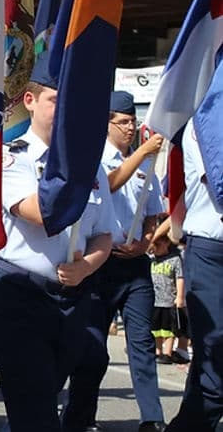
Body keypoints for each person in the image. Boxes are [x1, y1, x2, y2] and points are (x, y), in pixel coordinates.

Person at [0, 54, 115, 432]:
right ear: (30, 101)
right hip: (19, 295)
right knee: (34, 409)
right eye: (56, 100)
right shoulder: (11, 158)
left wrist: (87, 265)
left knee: (47, 395)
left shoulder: (93, 168)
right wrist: (72, 169)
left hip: (72, 298)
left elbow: (104, 233)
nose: (65, 110)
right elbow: (42, 214)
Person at [74, 90, 166, 432]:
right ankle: (81, 416)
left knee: (141, 341)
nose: (130, 128)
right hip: (101, 263)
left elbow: (152, 213)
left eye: (133, 122)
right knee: (93, 345)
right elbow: (109, 186)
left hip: (135, 265)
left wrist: (145, 243)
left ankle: (151, 419)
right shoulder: (95, 161)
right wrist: (142, 151)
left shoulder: (146, 165)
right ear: (107, 123)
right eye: (123, 122)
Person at [165, 119, 223, 431]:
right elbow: (217, 175)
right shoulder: (206, 125)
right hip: (212, 252)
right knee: (215, 360)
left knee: (210, 368)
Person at [149, 236, 186, 365]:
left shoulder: (175, 260)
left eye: (158, 244)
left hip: (169, 300)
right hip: (154, 300)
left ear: (167, 243)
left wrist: (180, 297)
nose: (155, 248)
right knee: (156, 328)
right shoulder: (151, 260)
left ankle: (167, 352)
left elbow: (180, 278)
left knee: (169, 329)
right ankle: (158, 350)